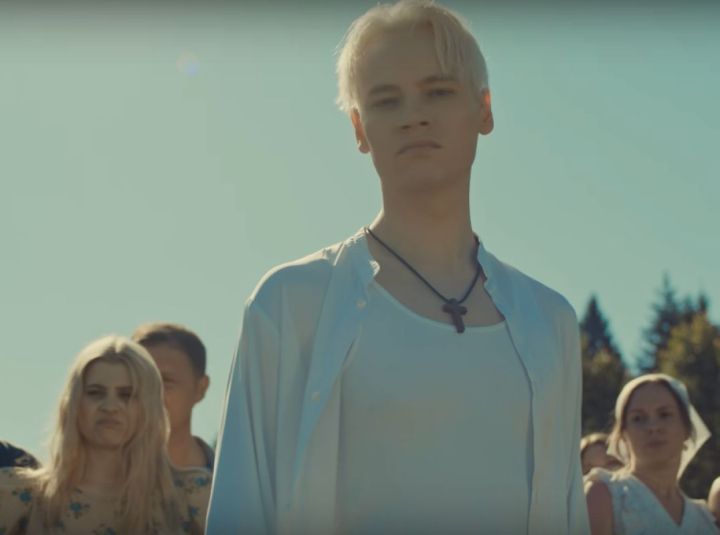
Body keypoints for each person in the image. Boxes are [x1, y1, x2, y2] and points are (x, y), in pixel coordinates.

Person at [207, 1, 588, 533]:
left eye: (438, 91)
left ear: (484, 109)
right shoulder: (290, 304)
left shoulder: (550, 321)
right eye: (386, 100)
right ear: (359, 129)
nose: (414, 115)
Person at [0, 335, 211, 534]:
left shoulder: (194, 497)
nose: (110, 407)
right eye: (95, 393)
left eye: (126, 395)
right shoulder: (17, 497)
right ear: (73, 404)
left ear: (149, 407)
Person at [584, 374, 718, 534]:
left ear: (686, 428)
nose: (653, 427)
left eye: (664, 415)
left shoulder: (704, 518)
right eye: (638, 418)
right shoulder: (605, 496)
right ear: (623, 434)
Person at [132, 322, 213, 471]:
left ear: (200, 388)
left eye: (165, 381)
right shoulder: (96, 477)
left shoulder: (232, 477)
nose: (150, 393)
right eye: (140, 381)